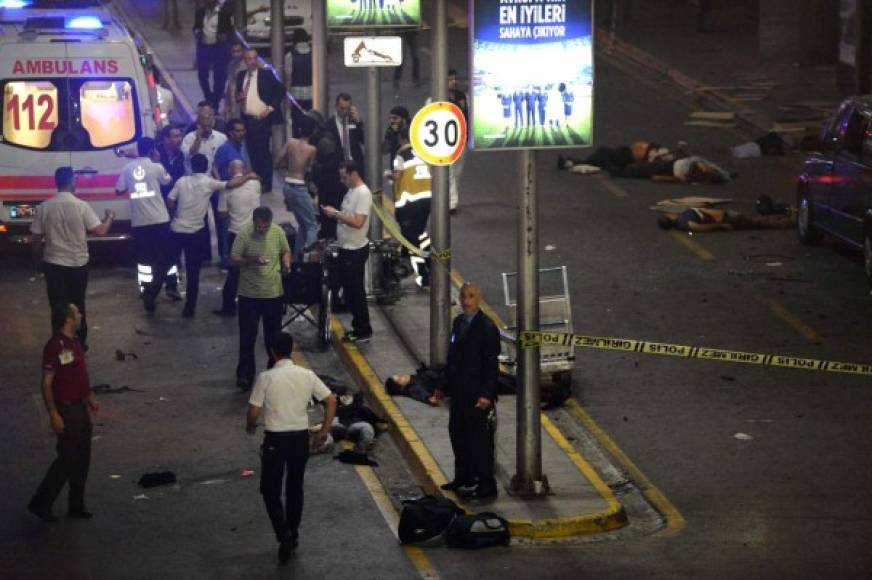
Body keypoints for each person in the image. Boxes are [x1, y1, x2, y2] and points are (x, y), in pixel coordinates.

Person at [246, 332, 337, 563]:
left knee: (270, 490)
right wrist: (323, 431)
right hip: (299, 440)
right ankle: (293, 534)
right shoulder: (306, 375)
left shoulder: (266, 378)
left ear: (272, 352)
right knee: (295, 488)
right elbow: (331, 400)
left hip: (275, 441)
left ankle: (283, 534)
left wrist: (250, 427)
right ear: (291, 350)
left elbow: (254, 412)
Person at [28, 303, 100, 523]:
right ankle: (41, 503)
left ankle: (76, 505)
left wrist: (88, 398)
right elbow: (47, 383)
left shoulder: (75, 342)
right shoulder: (55, 346)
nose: (81, 315)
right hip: (67, 409)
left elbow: (78, 374)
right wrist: (53, 413)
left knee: (82, 458)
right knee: (67, 459)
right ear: (69, 319)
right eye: (77, 313)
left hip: (79, 407)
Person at [30, 167, 114, 348]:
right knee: (78, 304)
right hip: (78, 265)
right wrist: (109, 217)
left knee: (58, 307)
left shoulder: (44, 207)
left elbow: (35, 239)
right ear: (72, 182)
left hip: (53, 264)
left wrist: (38, 262)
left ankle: (59, 344)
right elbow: (100, 231)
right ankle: (79, 344)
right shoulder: (81, 206)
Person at [167, 154, 256, 318]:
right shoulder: (209, 183)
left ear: (192, 166)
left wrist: (173, 215)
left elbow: (170, 199)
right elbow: (231, 183)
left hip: (177, 229)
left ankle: (152, 294)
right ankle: (189, 309)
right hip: (195, 233)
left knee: (166, 264)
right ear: (206, 166)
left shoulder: (181, 181)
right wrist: (248, 176)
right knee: (193, 271)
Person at [438, 282, 500, 500]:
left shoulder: (487, 328)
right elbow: (452, 358)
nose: (466, 301)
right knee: (458, 433)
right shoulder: (459, 323)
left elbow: (491, 367)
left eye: (471, 296)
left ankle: (486, 485)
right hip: (459, 392)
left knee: (479, 442)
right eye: (464, 296)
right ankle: (463, 476)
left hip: (476, 395)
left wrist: (486, 395)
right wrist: (443, 387)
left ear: (479, 298)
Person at [114, 137, 177, 312]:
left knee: (144, 259)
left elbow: (118, 189)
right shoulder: (157, 167)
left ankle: (145, 289)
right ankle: (171, 286)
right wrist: (157, 161)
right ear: (153, 150)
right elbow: (168, 180)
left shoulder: (127, 169)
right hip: (160, 220)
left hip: (140, 222)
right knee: (166, 257)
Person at [232, 206, 292, 389]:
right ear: (254, 221)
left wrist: (286, 264)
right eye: (259, 227)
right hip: (249, 295)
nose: (263, 230)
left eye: (265, 227)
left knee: (273, 337)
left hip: (273, 294)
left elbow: (285, 250)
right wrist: (251, 260)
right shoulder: (244, 234)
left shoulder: (278, 232)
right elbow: (234, 259)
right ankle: (245, 375)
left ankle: (274, 373)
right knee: (247, 337)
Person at [322, 161, 373, 344]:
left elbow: (358, 222)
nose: (342, 181)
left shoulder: (363, 194)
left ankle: (363, 329)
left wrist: (335, 214)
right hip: (346, 247)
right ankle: (358, 325)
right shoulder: (351, 191)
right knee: (349, 291)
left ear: (354, 174)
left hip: (355, 250)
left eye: (344, 177)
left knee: (355, 292)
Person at [214, 160, 263, 316]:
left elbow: (222, 213)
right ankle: (257, 305)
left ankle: (229, 307)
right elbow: (258, 180)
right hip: (255, 234)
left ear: (229, 171)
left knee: (234, 272)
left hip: (236, 234)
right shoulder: (255, 184)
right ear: (244, 170)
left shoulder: (226, 190)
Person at [236, 48, 285, 193]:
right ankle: (257, 178)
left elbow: (281, 90)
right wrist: (238, 97)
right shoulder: (241, 76)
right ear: (245, 61)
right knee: (251, 150)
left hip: (261, 119)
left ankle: (266, 181)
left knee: (262, 150)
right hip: (246, 119)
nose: (251, 62)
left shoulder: (265, 75)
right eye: (248, 59)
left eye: (253, 59)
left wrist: (270, 108)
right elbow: (238, 93)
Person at [392, 127, 431, 288]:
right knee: (420, 233)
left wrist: (390, 176)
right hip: (426, 199)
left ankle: (424, 273)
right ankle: (428, 260)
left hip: (408, 202)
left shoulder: (400, 154)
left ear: (402, 140)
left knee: (410, 239)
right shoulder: (423, 151)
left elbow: (397, 175)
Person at [275, 119, 318, 263]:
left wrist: (289, 165)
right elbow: (310, 169)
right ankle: (310, 259)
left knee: (302, 225)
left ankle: (297, 258)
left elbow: (279, 159)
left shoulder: (290, 142)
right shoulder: (312, 149)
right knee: (311, 225)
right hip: (300, 186)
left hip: (288, 185)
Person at [213, 118, 250, 266]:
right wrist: (223, 186)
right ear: (230, 133)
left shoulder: (242, 146)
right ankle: (225, 257)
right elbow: (214, 168)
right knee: (225, 227)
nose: (241, 133)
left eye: (242, 130)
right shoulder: (225, 149)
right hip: (228, 191)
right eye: (238, 131)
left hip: (240, 192)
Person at [308, 110, 346, 241]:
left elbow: (332, 161)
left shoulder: (324, 140)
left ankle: (331, 237)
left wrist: (317, 168)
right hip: (324, 184)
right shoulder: (318, 137)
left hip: (330, 185)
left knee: (328, 213)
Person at [193, 0, 233, 111]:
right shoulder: (200, 12)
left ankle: (216, 101)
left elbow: (231, 30)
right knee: (202, 75)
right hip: (204, 47)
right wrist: (196, 32)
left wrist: (225, 37)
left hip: (219, 48)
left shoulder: (224, 13)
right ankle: (208, 96)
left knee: (219, 77)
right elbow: (196, 26)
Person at [656, 207, 794, 232]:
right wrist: (721, 226)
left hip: (725, 215)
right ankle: (789, 222)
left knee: (755, 219)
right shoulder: (683, 223)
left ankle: (786, 217)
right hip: (725, 218)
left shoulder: (681, 219)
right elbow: (698, 227)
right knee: (758, 222)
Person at [327, 93, 366, 180]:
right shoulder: (329, 125)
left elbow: (364, 141)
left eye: (347, 109)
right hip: (338, 168)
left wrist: (358, 122)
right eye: (342, 108)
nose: (345, 112)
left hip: (355, 167)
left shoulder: (355, 122)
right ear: (336, 106)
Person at [613, 155, 731, 183]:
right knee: (646, 169)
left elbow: (682, 179)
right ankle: (621, 169)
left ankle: (620, 169)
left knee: (646, 169)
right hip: (673, 167)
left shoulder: (701, 171)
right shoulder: (701, 174)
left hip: (672, 167)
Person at [283, 29, 313, 138]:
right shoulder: (314, 54)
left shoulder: (290, 56)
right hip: (313, 94)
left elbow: (288, 78)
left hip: (296, 95)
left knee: (296, 123)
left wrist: (287, 98)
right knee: (311, 121)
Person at [447, 70, 468, 212]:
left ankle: (450, 198)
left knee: (457, 172)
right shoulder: (436, 98)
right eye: (450, 79)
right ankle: (451, 203)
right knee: (449, 172)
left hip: (461, 140)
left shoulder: (463, 97)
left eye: (455, 79)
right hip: (446, 142)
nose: (454, 81)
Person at [381, 105, 411, 170]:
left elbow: (407, 149)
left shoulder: (411, 130)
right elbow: (385, 151)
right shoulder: (391, 131)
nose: (392, 121)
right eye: (390, 118)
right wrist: (389, 136)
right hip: (395, 169)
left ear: (404, 120)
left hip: (409, 167)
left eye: (395, 118)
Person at [222, 42, 247, 121]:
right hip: (234, 104)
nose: (236, 54)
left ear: (243, 51)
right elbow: (230, 85)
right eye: (234, 51)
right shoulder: (231, 65)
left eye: (238, 51)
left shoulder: (248, 66)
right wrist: (227, 104)